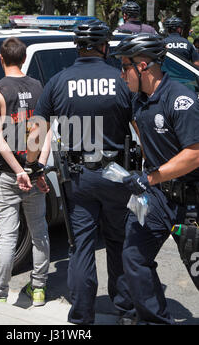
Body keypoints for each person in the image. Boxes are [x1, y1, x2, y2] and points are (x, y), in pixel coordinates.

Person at [20, 20, 136, 325]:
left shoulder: (59, 81)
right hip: (117, 174)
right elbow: (141, 129)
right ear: (104, 46)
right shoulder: (121, 80)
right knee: (118, 241)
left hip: (78, 176)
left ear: (78, 46)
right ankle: (125, 310)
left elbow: (35, 129)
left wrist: (32, 166)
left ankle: (82, 317)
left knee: (81, 245)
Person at [111, 33, 199, 325]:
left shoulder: (181, 100)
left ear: (144, 66)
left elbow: (194, 154)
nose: (121, 73)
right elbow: (150, 146)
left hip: (190, 201)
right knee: (134, 258)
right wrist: (143, 176)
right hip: (158, 197)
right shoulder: (140, 102)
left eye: (125, 67)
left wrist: (150, 177)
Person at [0, 37, 50, 306]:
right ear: (24, 59)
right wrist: (37, 168)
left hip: (6, 173)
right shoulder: (39, 87)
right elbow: (46, 132)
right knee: (39, 231)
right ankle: (38, 289)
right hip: (33, 171)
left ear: (1, 59)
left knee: (8, 235)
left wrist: (18, 171)